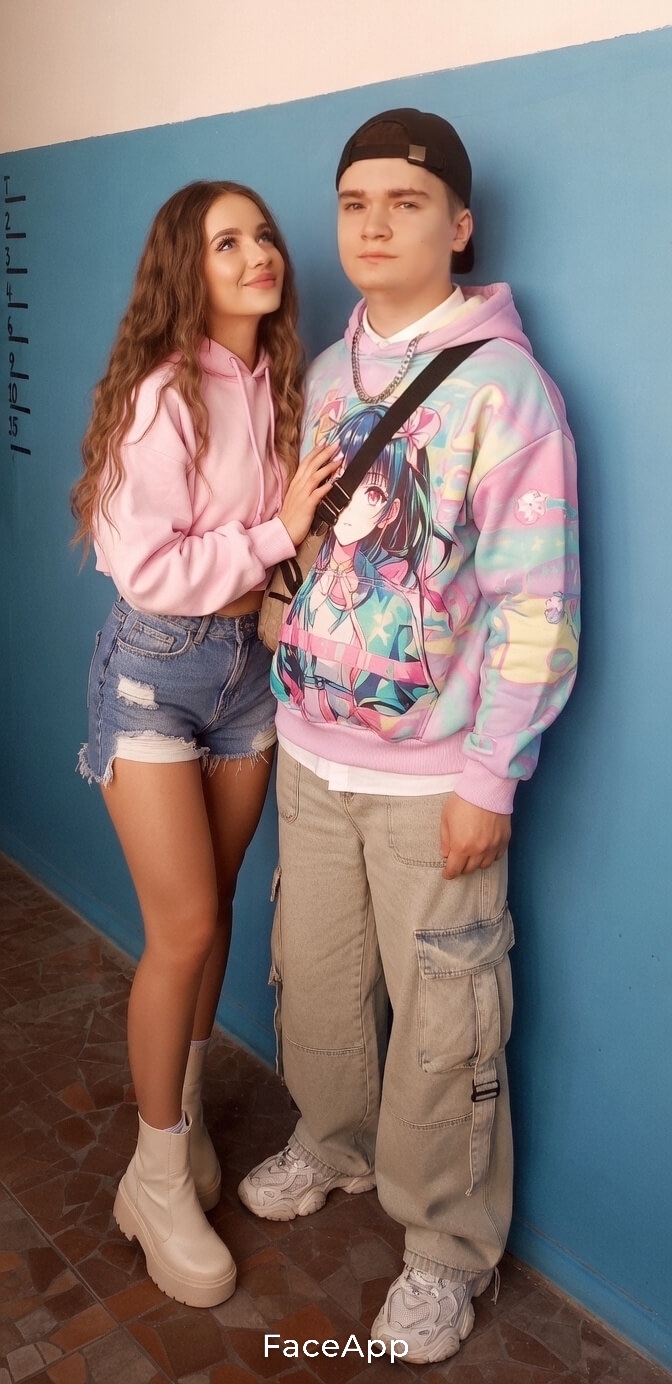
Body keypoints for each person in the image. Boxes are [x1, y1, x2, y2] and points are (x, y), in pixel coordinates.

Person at [238, 112, 580, 1363]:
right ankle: (332, 1144)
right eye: (354, 204)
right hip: (313, 749)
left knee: (447, 1020)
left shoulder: (508, 390)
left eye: (406, 201)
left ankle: (445, 1250)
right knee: (317, 982)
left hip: (437, 776)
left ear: (460, 224)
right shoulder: (328, 376)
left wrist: (492, 774)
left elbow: (539, 603)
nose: (374, 225)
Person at [72, 179, 339, 1308]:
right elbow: (147, 566)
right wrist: (278, 531)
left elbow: (277, 558)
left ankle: (176, 1132)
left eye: (263, 235)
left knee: (216, 911)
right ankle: (152, 1177)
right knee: (179, 928)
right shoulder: (161, 394)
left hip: (245, 675)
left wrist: (287, 559)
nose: (257, 253)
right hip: (155, 670)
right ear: (188, 267)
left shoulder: (283, 380)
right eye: (226, 242)